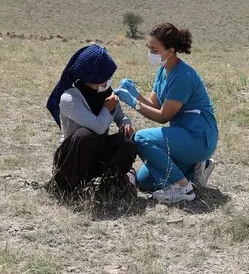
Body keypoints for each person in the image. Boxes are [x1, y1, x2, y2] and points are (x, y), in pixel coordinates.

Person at [114, 23, 218, 204]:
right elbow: (155, 104)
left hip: (198, 137)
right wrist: (135, 93)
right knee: (145, 181)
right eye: (149, 48)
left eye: (154, 49)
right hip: (183, 136)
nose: (150, 53)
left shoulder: (182, 76)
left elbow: (163, 116)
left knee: (140, 138)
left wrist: (132, 102)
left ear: (170, 51)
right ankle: (197, 168)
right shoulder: (163, 70)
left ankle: (183, 189)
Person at [46, 44, 137, 195]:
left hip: (98, 152)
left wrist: (125, 124)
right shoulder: (70, 98)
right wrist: (107, 108)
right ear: (94, 77)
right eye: (105, 77)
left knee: (126, 143)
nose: (108, 80)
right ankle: (67, 187)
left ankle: (111, 184)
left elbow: (121, 116)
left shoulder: (106, 93)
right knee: (85, 135)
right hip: (74, 157)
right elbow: (98, 127)